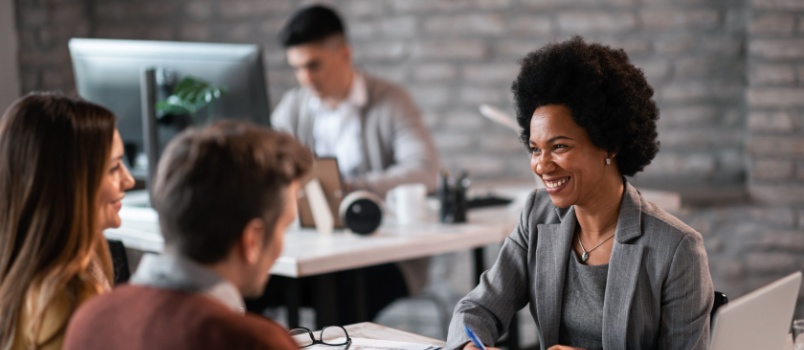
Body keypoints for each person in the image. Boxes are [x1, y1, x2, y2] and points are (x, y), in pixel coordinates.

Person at [446, 37, 714, 350]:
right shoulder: (538, 216)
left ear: (609, 145)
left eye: (559, 146)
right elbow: (477, 308)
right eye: (535, 149)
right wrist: (468, 346)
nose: (542, 166)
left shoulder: (677, 248)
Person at [255, 4, 438, 324]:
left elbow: (424, 171)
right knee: (250, 287)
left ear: (344, 54)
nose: (306, 79)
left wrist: (348, 188)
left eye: (314, 65)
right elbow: (267, 166)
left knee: (343, 303)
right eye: (297, 68)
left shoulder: (391, 101)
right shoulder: (294, 106)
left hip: (383, 253)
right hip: (314, 247)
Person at [64, 121, 311, 349]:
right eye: (284, 227)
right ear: (252, 240)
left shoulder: (89, 320)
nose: (282, 244)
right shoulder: (253, 342)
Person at [0, 92, 135, 350]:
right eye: (113, 167)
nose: (129, 180)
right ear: (68, 186)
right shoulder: (70, 304)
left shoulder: (30, 283)